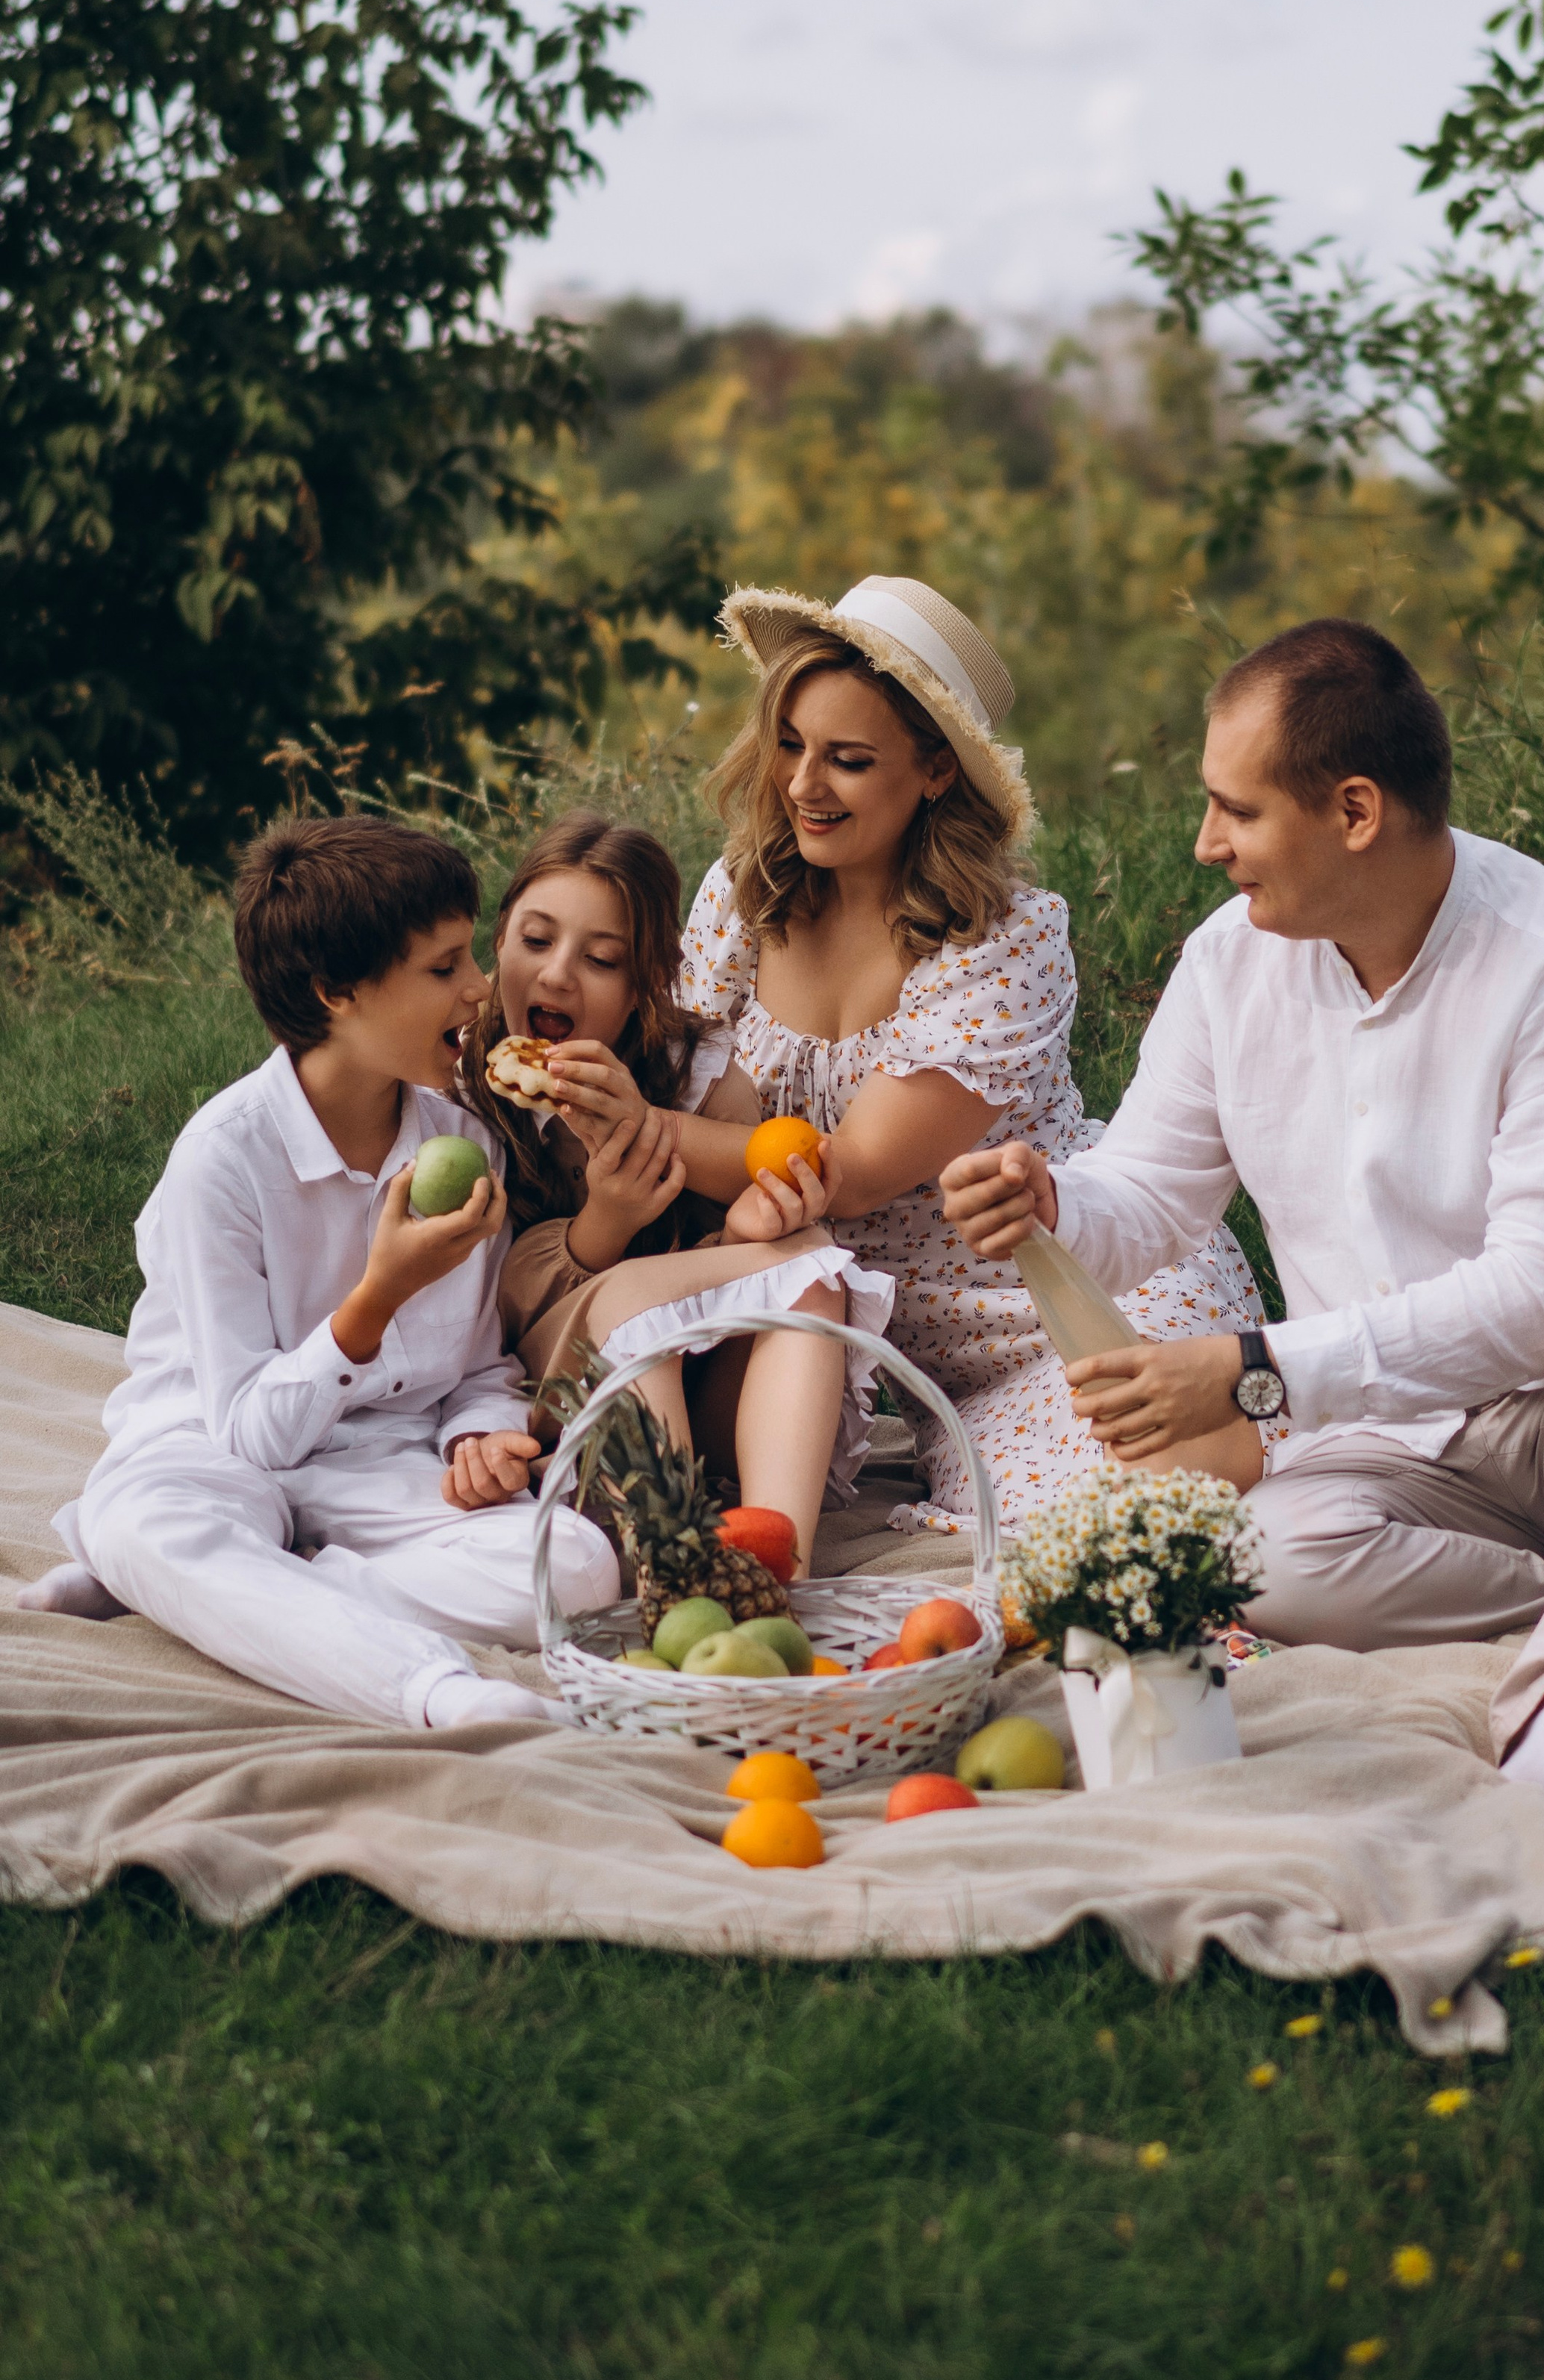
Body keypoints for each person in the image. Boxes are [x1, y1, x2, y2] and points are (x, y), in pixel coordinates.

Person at [940, 619, 1544, 1824]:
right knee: (1256, 1559)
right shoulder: (1224, 968)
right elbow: (1148, 1189)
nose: (1205, 844)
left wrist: (1253, 1373)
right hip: (1388, 1451)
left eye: (1235, 811)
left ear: (1354, 812)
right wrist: (1056, 1201)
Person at [679, 573, 1263, 1530]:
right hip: (917, 1348)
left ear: (937, 771)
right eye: (789, 744)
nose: (799, 785)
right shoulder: (739, 901)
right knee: (1098, 1523)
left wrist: (633, 1127)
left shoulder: (1006, 941)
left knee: (1156, 1507)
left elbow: (853, 1178)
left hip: (1068, 1294)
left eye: (848, 760)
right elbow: (722, 1128)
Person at [20, 818, 620, 1731]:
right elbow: (251, 1435)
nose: (479, 987)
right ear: (336, 992)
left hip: (381, 1460)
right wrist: (373, 1300)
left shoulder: (460, 1142)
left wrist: (480, 1435)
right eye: (444, 966)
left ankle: (231, 1599)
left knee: (576, 1564)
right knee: (148, 1522)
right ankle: (434, 1693)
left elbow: (472, 1370)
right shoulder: (221, 1162)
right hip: (213, 1450)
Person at [460, 807, 893, 1572]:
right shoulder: (461, 1081)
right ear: (497, 942)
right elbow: (478, 1305)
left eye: (601, 960)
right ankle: (678, 1569)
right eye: (535, 940)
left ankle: (771, 1564)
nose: (556, 973)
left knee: (808, 1266)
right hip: (542, 1397)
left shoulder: (695, 1077)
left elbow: (719, 1273)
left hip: (698, 1393)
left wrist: (748, 1229)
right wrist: (606, 1220)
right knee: (639, 1304)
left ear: (647, 985)